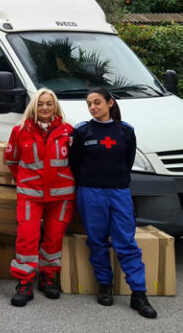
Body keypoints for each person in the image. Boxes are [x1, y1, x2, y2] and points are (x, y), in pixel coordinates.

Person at [68, 87, 157, 318]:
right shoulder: (82, 131)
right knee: (97, 241)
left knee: (126, 242)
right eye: (89, 104)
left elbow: (126, 162)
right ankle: (104, 285)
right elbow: (75, 163)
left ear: (110, 103)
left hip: (119, 192)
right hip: (90, 192)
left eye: (97, 102)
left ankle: (139, 294)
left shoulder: (126, 131)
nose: (93, 107)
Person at [3, 88, 74, 307]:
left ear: (55, 106)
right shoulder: (20, 130)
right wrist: (28, 180)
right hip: (30, 195)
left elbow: (76, 162)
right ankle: (24, 282)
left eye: (49, 104)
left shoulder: (68, 132)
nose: (44, 108)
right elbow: (12, 160)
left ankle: (47, 276)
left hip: (61, 196)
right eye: (40, 103)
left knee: (54, 237)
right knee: (27, 237)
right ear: (34, 106)